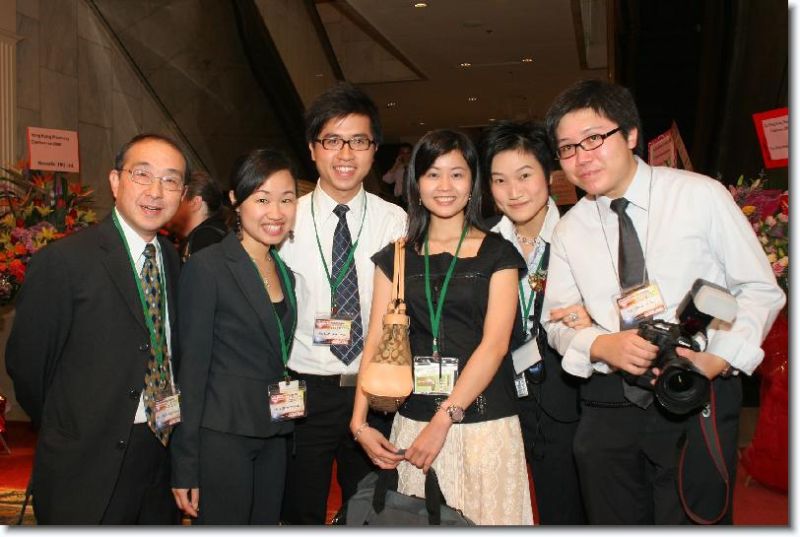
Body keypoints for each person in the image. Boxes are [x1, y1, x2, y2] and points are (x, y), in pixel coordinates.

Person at [541, 79, 786, 524]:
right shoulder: (569, 229)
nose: (582, 157)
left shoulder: (698, 195)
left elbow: (758, 288)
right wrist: (601, 344)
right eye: (568, 148)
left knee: (696, 520)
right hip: (610, 399)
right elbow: (555, 321)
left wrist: (718, 358)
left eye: (594, 138)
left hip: (694, 386)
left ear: (631, 134)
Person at [5, 133, 190, 524]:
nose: (156, 191)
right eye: (143, 174)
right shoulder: (65, 261)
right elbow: (28, 368)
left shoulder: (171, 258)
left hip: (159, 452)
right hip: (86, 462)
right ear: (115, 181)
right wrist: (72, 427)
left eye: (170, 180)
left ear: (183, 194)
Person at [351, 129, 532, 525]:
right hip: (413, 423)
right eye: (433, 174)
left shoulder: (498, 254)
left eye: (457, 174)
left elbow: (495, 346)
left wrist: (444, 419)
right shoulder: (396, 258)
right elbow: (376, 341)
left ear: (473, 184)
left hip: (484, 425)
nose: (445, 186)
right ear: (416, 184)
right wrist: (359, 422)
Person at [278, 82, 407, 524]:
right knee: (299, 511)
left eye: (359, 141)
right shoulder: (286, 218)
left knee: (372, 512)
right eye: (333, 140)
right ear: (313, 149)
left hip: (373, 390)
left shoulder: (395, 220)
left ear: (375, 149)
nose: (346, 154)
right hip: (304, 391)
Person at [170, 148, 299, 524]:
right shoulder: (208, 267)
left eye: (286, 199)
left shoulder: (284, 271)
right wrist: (185, 462)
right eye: (262, 199)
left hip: (274, 433)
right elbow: (191, 371)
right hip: (223, 435)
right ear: (235, 201)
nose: (276, 212)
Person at [480, 120, 588, 525]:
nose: (514, 191)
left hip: (569, 397)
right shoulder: (480, 243)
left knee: (569, 508)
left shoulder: (583, 234)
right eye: (500, 180)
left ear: (549, 175)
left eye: (525, 176)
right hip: (500, 399)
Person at [166, 170, 229, 262]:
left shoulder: (205, 240)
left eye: (179, 202)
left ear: (195, 203)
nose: (174, 208)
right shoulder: (211, 237)